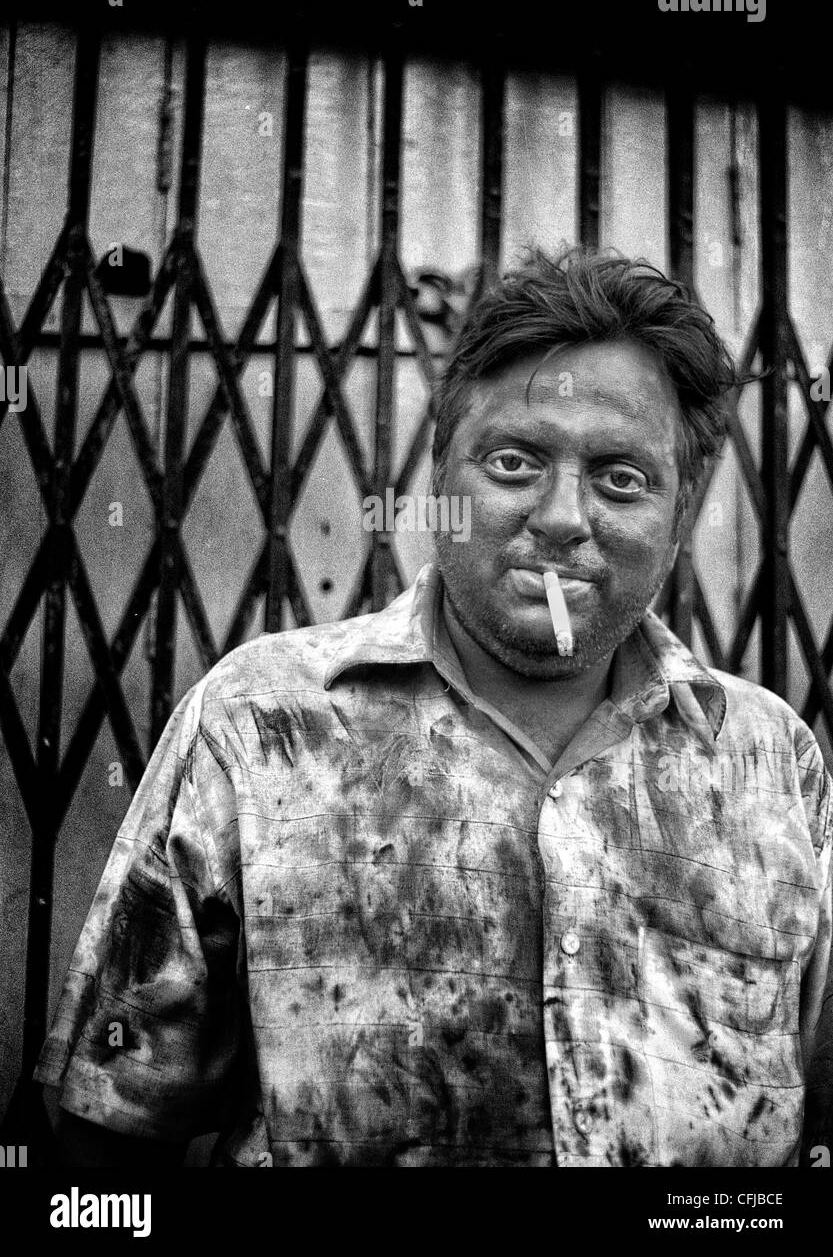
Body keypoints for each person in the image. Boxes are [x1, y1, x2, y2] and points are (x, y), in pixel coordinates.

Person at [36, 247, 832, 1167]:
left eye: (621, 478)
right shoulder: (258, 725)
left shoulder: (771, 761)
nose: (564, 517)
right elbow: (107, 1139)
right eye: (512, 461)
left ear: (682, 508)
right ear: (440, 477)